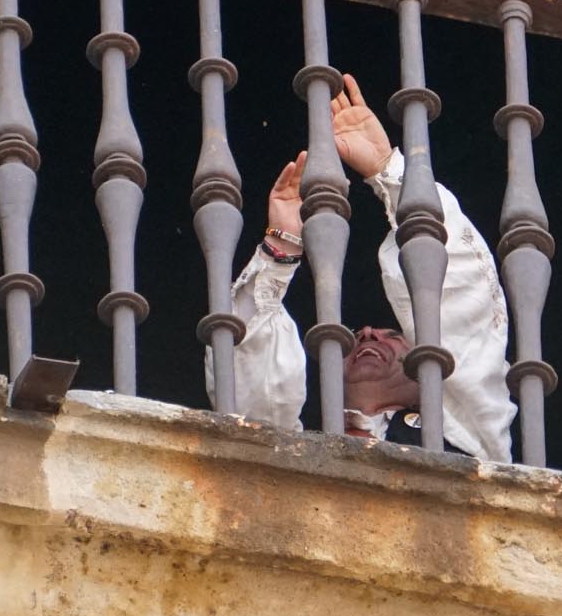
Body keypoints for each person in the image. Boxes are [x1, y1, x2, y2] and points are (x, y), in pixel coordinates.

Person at [210, 74, 515, 461]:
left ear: (428, 365)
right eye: (357, 334)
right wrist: (279, 248)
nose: (368, 333)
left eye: (392, 334)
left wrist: (389, 171)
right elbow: (246, 382)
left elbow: (463, 296)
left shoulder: (475, 435)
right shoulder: (288, 452)